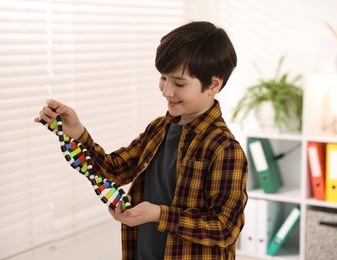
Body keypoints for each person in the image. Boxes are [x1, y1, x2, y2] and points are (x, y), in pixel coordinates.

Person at [35, 21, 248, 260]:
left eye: (178, 83)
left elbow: (225, 228)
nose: (166, 91)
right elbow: (113, 170)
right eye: (163, 78)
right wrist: (76, 131)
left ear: (213, 84)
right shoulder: (159, 129)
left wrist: (159, 214)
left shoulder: (225, 149)